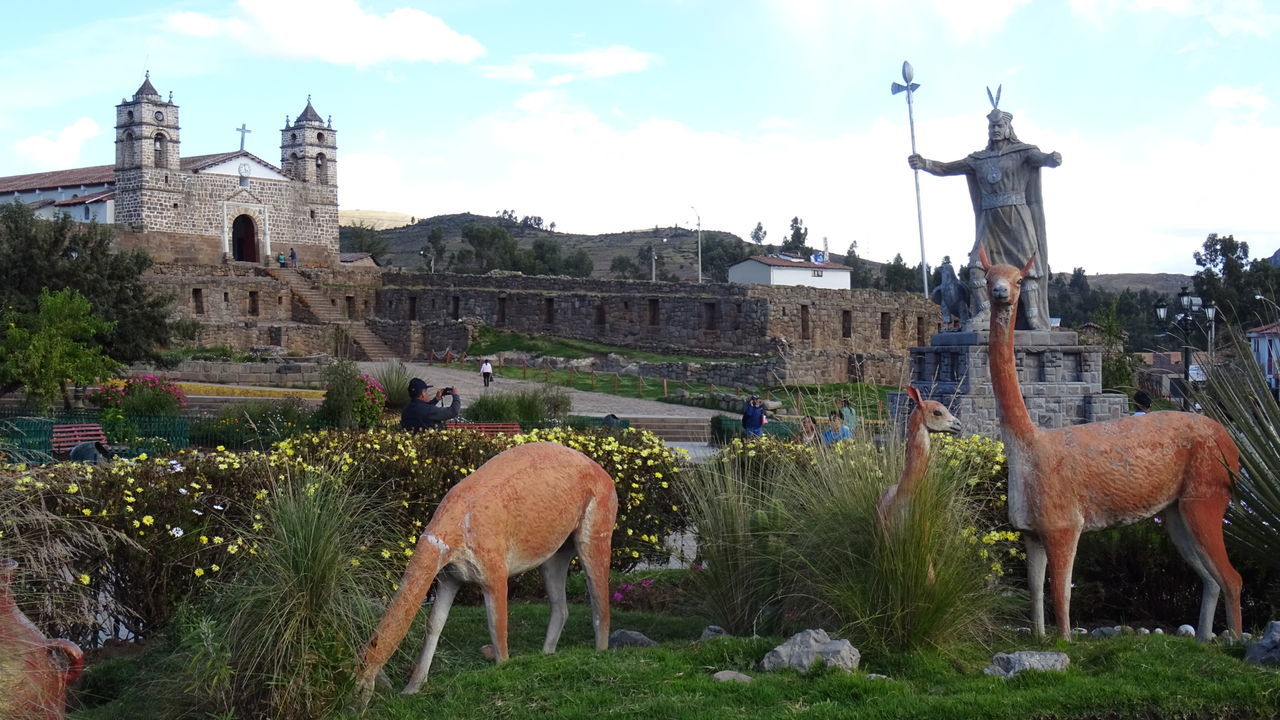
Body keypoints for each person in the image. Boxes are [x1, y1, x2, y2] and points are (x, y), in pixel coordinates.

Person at [909, 95, 1062, 331]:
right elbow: (948, 168)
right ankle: (983, 312)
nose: (995, 130)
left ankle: (1033, 318)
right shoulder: (979, 159)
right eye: (992, 126)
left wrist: (1051, 159)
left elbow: (1040, 159)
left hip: (1017, 217)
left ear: (1009, 128)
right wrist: (925, 163)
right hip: (989, 220)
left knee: (1027, 265)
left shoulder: (1022, 152)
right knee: (976, 266)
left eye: (1000, 125)